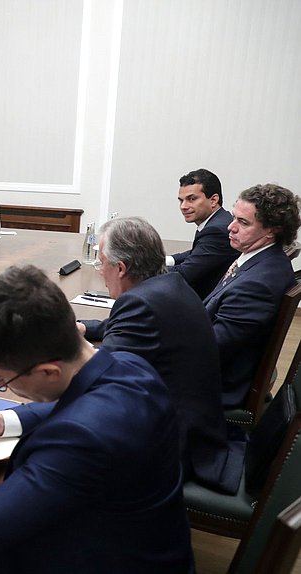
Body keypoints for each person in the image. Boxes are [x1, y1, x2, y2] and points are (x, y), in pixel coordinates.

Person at [0, 265, 194, 573]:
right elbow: (79, 406)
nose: (4, 388)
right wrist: (1, 420)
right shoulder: (130, 366)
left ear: (49, 371)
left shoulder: (79, 442)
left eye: (1, 380)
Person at [80, 217, 242, 493]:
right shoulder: (169, 286)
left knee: (58, 446)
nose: (99, 272)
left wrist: (60, 350)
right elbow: (125, 329)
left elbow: (98, 377)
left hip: (173, 444)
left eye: (100, 263)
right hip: (198, 427)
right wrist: (84, 328)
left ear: (120, 268)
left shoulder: (138, 303)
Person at [205, 183, 301, 408]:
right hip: (222, 370)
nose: (230, 227)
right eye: (234, 217)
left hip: (217, 386)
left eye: (243, 222)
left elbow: (211, 348)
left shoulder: (259, 284)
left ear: (271, 231)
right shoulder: (259, 259)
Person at [166, 169, 238, 299]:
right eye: (181, 200)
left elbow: (183, 275)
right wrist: (169, 260)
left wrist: (143, 268)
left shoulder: (216, 231)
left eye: (191, 199)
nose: (183, 206)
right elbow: (199, 252)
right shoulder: (220, 220)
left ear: (213, 200)